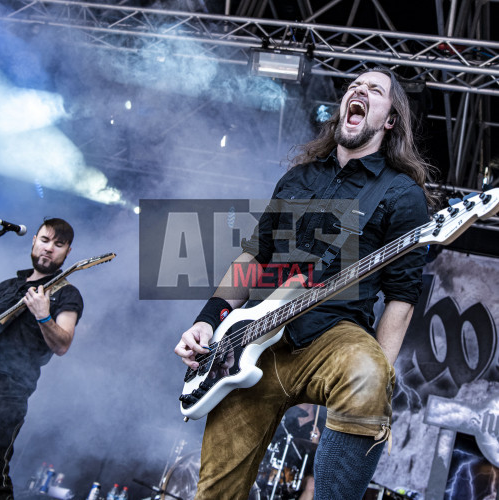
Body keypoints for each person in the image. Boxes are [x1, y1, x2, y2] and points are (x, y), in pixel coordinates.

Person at [175, 68, 434, 499]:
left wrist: (379, 387)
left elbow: (402, 299)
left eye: (374, 90)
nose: (359, 91)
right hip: (255, 338)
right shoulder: (299, 178)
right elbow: (253, 258)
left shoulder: (400, 193)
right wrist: (208, 320)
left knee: (368, 374)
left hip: (334, 336)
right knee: (215, 491)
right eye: (354, 86)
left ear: (390, 120)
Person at [0, 218, 84, 500]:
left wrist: (43, 315)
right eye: (45, 241)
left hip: (8, 394)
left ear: (67, 252)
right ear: (34, 240)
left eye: (58, 245)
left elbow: (63, 344)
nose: (49, 249)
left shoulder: (66, 293)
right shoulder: (8, 285)